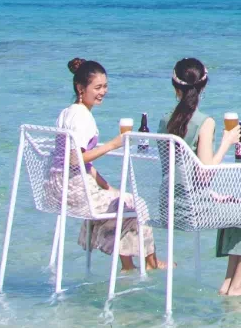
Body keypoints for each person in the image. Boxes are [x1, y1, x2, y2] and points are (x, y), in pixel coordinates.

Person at [164, 57, 241, 296]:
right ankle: (237, 287)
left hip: (169, 206)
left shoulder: (165, 121)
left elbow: (179, 171)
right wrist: (226, 142)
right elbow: (205, 173)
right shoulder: (204, 122)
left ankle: (231, 284)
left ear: (176, 87)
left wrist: (212, 194)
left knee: (238, 207)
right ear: (203, 87)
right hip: (193, 209)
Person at [56, 57, 162, 273]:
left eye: (105, 86)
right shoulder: (82, 118)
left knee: (121, 197)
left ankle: (129, 266)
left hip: (60, 188)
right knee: (136, 204)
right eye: (97, 87)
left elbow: (78, 164)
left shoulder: (67, 113)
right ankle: (150, 264)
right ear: (80, 88)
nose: (102, 92)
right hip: (77, 193)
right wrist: (112, 145)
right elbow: (75, 159)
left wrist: (106, 186)